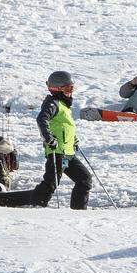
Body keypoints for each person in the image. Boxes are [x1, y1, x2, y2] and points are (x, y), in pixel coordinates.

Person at [32, 71, 92, 209]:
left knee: (85, 180)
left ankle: (78, 212)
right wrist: (49, 139)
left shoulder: (64, 105)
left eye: (72, 88)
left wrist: (74, 139)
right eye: (68, 89)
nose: (71, 92)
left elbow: (65, 127)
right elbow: (41, 119)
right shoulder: (53, 103)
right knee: (51, 183)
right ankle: (35, 205)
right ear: (57, 89)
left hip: (68, 153)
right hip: (57, 152)